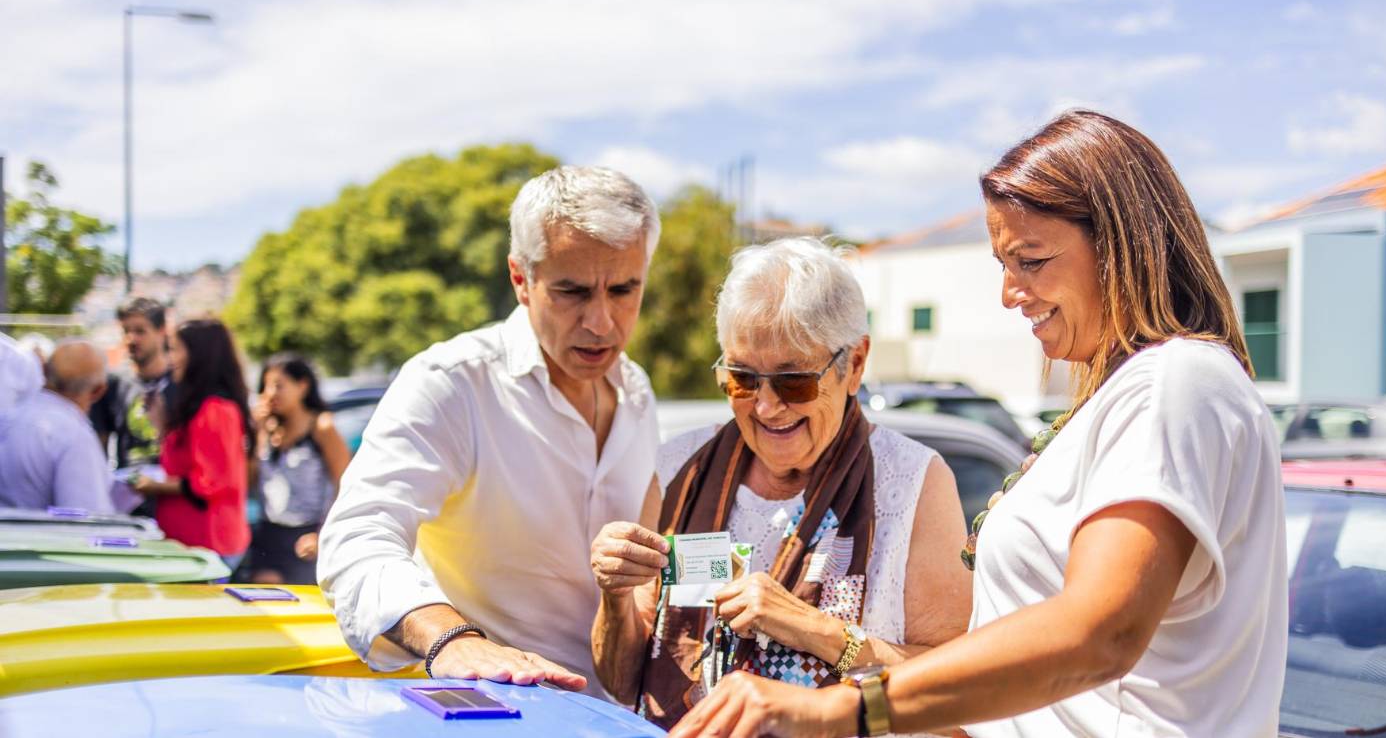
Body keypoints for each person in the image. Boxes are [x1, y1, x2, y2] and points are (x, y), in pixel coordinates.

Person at [669, 110, 1287, 738]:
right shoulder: (1131, 392)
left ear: (1122, 246)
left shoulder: (1176, 382)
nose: (1009, 292)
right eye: (1003, 264)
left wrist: (846, 708)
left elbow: (1102, 633)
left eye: (1033, 260)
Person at [589, 237, 971, 731]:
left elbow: (959, 696)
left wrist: (818, 631)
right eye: (743, 379)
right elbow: (623, 683)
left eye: (794, 382)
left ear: (854, 364)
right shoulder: (681, 467)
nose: (767, 407)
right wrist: (615, 597)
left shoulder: (913, 481)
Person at [318, 166, 662, 697]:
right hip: (498, 713)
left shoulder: (639, 393)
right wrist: (454, 641)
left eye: (623, 289)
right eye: (572, 291)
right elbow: (358, 537)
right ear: (520, 279)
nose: (602, 322)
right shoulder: (452, 384)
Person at [133, 318, 254, 569]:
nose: (170, 359)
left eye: (176, 349)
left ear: (198, 354)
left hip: (207, 546)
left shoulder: (215, 410)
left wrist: (156, 485)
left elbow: (211, 483)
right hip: (194, 544)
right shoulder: (202, 407)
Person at [245, 353, 350, 584]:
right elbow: (248, 483)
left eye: (278, 386)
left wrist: (323, 536)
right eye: (265, 387)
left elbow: (346, 485)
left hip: (307, 536)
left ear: (302, 385)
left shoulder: (322, 427)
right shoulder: (267, 430)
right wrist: (257, 434)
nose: (270, 394)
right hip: (268, 533)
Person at [0, 340, 114, 512]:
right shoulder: (74, 436)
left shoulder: (9, 419)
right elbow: (85, 518)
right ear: (98, 390)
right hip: (41, 538)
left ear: (44, 370)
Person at [89, 298, 175, 469]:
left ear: (162, 331)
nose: (131, 339)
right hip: (128, 489)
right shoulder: (112, 384)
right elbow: (99, 447)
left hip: (173, 488)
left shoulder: (184, 381)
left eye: (140, 331)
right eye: (125, 331)